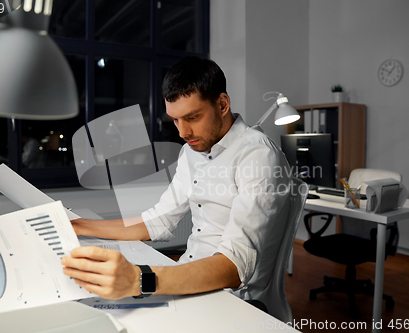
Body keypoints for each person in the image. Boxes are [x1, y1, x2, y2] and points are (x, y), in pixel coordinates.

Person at [62, 57, 291, 310]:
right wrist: (78, 226)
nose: (182, 133)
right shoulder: (192, 151)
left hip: (235, 299)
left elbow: (234, 267)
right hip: (189, 276)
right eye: (175, 120)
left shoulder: (257, 155)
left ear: (223, 104)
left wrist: (138, 279)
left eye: (192, 117)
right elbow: (158, 220)